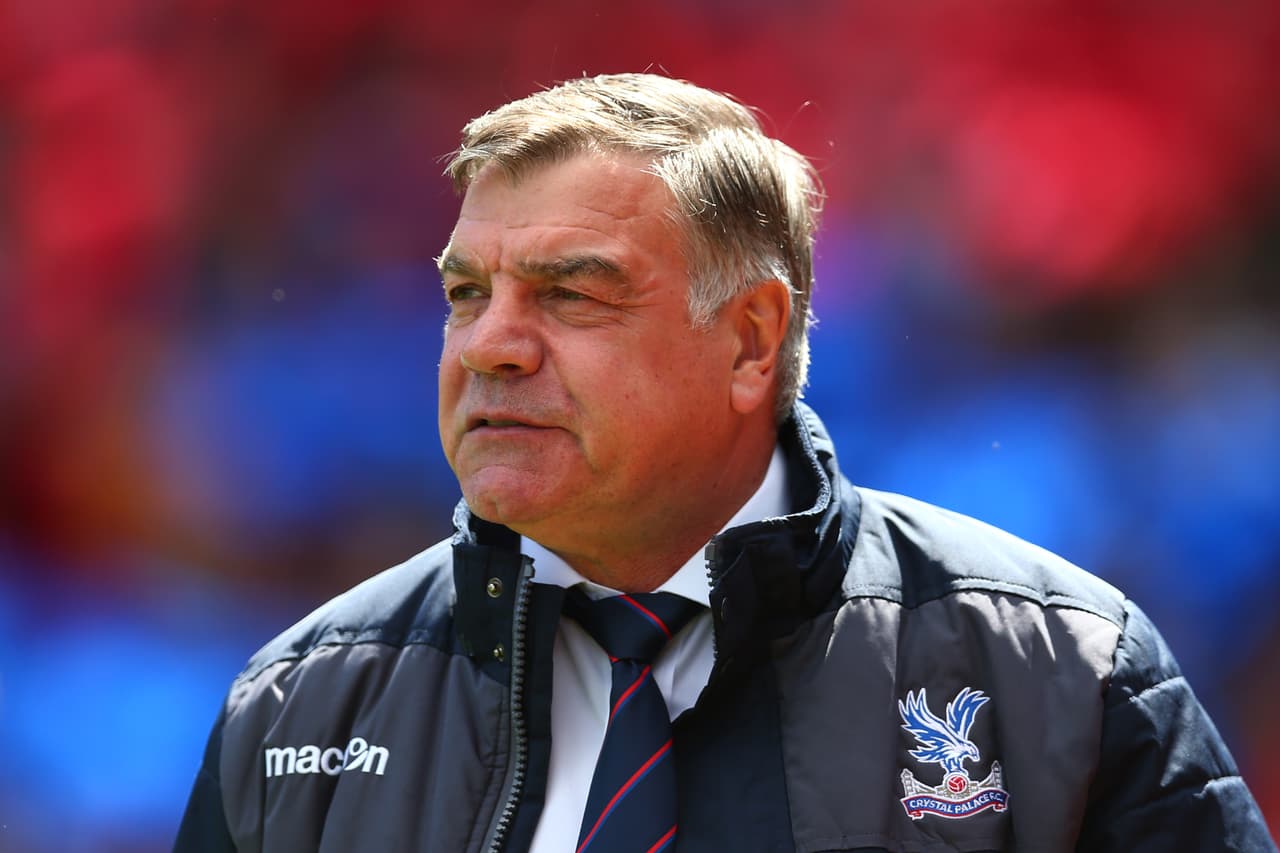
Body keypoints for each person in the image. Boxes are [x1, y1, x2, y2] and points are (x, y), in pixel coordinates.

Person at [174, 73, 1275, 853]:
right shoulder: (302, 704)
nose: (489, 344)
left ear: (750, 339)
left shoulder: (1057, 671)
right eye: (467, 292)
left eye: (569, 292)